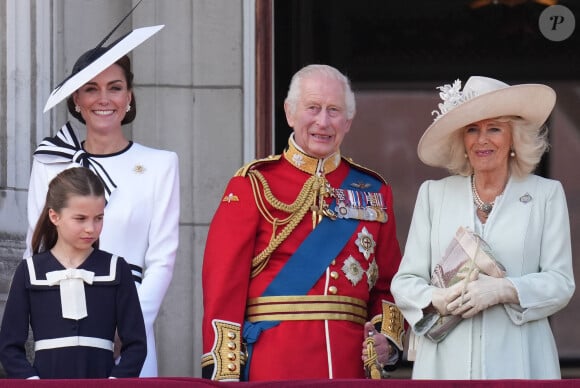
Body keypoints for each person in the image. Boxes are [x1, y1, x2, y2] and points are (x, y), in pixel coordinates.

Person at [201, 64, 405, 381]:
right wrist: (225, 372)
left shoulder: (375, 191)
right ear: (290, 113)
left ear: (348, 121)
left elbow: (389, 284)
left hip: (348, 366)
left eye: (334, 110)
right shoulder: (253, 184)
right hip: (272, 363)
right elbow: (223, 284)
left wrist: (386, 341)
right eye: (313, 108)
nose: (322, 122)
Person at [391, 75, 575, 379]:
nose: (482, 139)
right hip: (443, 364)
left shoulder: (546, 194)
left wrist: (504, 289)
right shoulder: (433, 195)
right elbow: (405, 281)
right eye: (472, 129)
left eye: (494, 128)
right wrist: (435, 299)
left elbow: (560, 283)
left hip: (520, 361)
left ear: (514, 136)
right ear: (461, 140)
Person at [24, 22, 180, 377]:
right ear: (76, 100)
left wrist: (130, 324)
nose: (103, 99)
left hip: (130, 327)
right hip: (63, 323)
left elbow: (162, 258)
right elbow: (35, 251)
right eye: (90, 89)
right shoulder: (50, 163)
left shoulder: (161, 164)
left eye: (115, 87)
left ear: (129, 96)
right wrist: (51, 317)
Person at [0, 167, 146, 379]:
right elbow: (9, 347)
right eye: (80, 218)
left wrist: (115, 383)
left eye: (98, 218)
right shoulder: (30, 271)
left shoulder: (116, 269)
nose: (91, 228)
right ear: (54, 216)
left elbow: (136, 345)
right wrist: (32, 382)